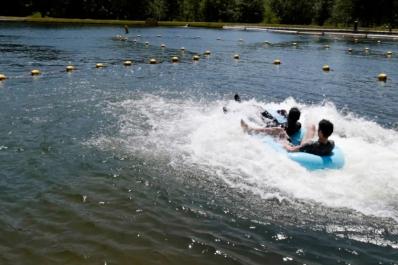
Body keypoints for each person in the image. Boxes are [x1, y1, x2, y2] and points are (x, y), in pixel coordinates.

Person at [241, 119, 335, 156]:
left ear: (321, 133)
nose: (317, 131)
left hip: (302, 149)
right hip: (313, 148)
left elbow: (291, 150)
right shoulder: (331, 144)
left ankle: (250, 130)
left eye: (319, 130)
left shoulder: (310, 145)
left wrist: (283, 141)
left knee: (279, 130)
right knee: (312, 126)